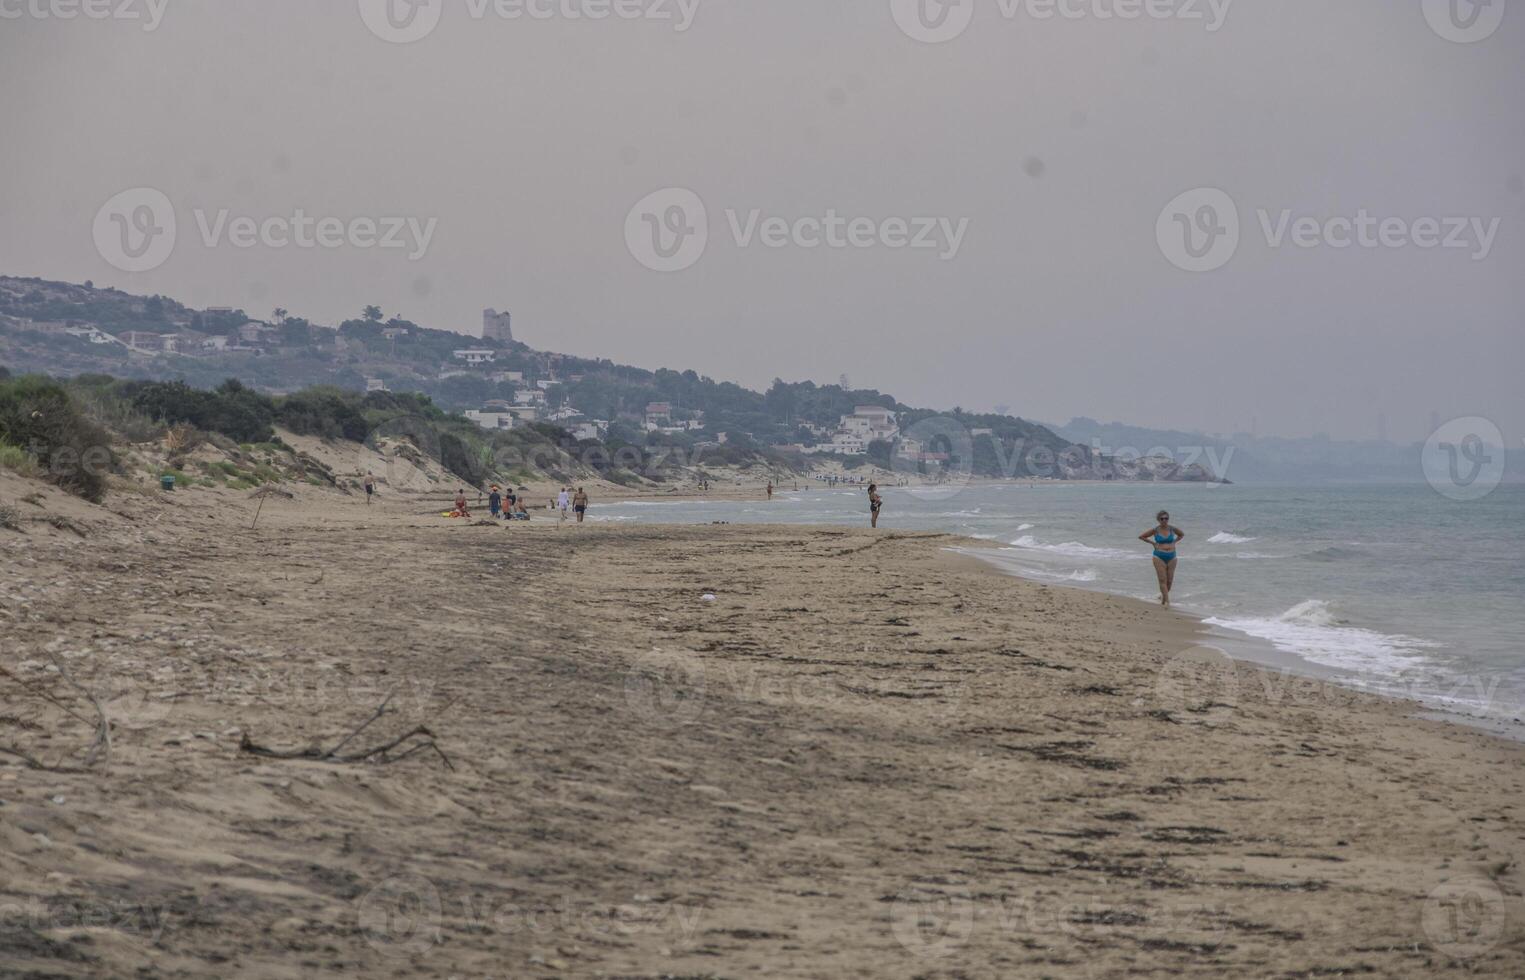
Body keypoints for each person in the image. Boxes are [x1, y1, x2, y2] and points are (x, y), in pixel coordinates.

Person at [1139, 510, 1185, 607]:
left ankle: (1163, 599)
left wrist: (1174, 542)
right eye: (1162, 519)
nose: (1164, 520)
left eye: (1166, 518)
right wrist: (1153, 543)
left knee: (1169, 581)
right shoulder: (1155, 530)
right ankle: (1167, 602)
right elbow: (1142, 536)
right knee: (1162, 580)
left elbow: (1181, 534)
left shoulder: (1172, 529)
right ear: (1158, 520)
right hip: (1158, 556)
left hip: (1172, 556)